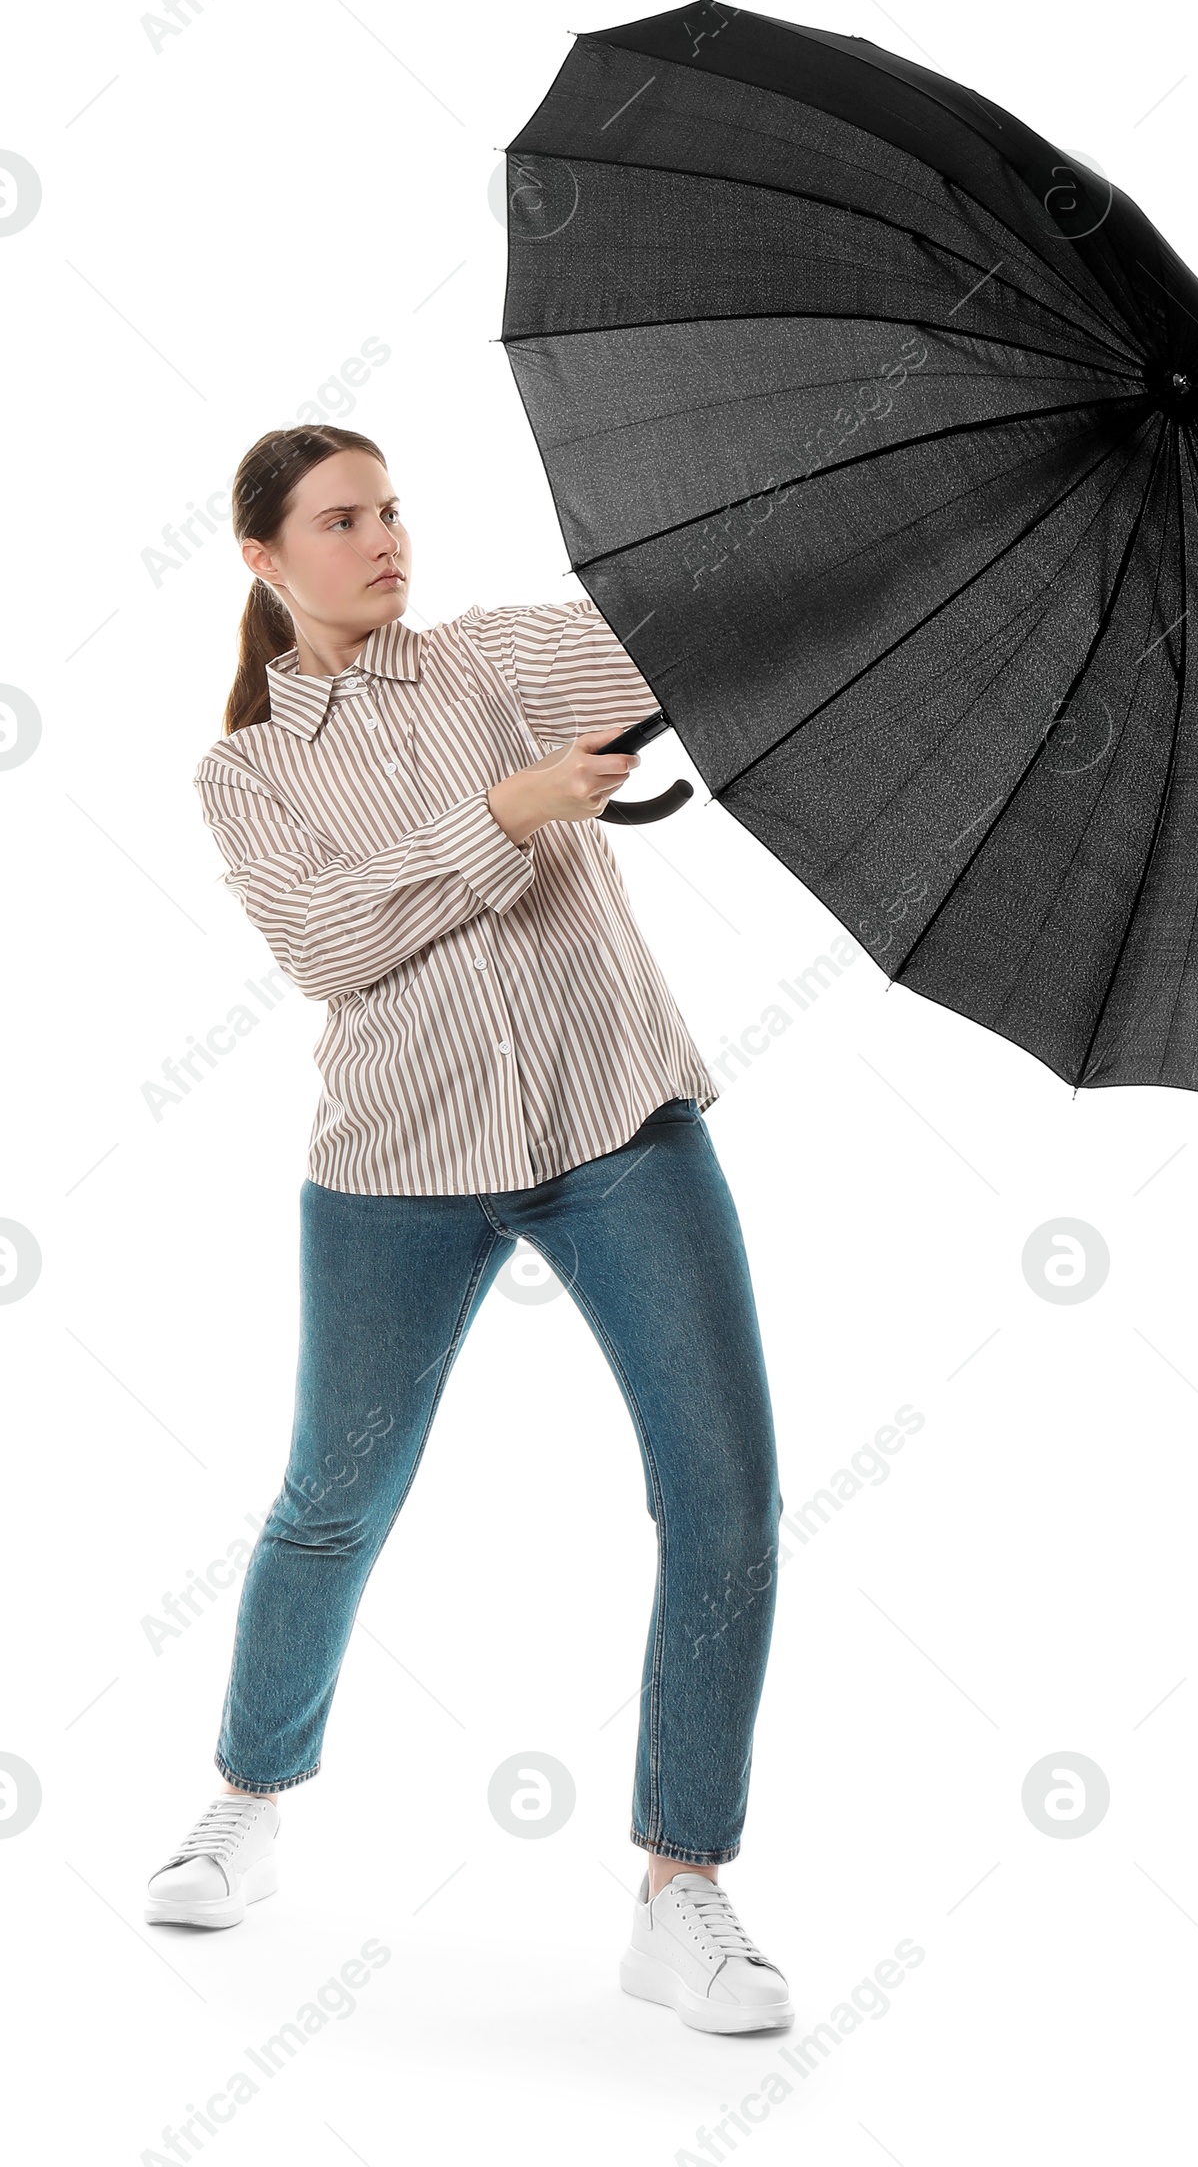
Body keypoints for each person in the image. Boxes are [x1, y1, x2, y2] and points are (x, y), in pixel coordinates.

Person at [142, 424, 790, 2036]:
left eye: (392, 510)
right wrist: (504, 815)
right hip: (397, 1165)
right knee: (331, 1503)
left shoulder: (500, 659)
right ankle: (249, 1795)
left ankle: (682, 1889)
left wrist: (821, 513)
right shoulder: (247, 770)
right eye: (342, 519)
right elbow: (330, 941)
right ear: (263, 557)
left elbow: (683, 628)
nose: (383, 540)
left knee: (727, 1498)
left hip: (616, 1123)